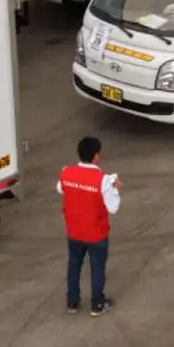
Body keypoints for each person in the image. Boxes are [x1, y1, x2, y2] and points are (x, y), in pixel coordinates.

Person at [58, 135, 122, 315]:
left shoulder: (66, 173)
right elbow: (113, 207)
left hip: (74, 231)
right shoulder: (102, 180)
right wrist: (115, 189)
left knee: (73, 265)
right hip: (96, 233)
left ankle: (72, 302)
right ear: (96, 156)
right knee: (97, 268)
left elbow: (61, 188)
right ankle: (97, 304)